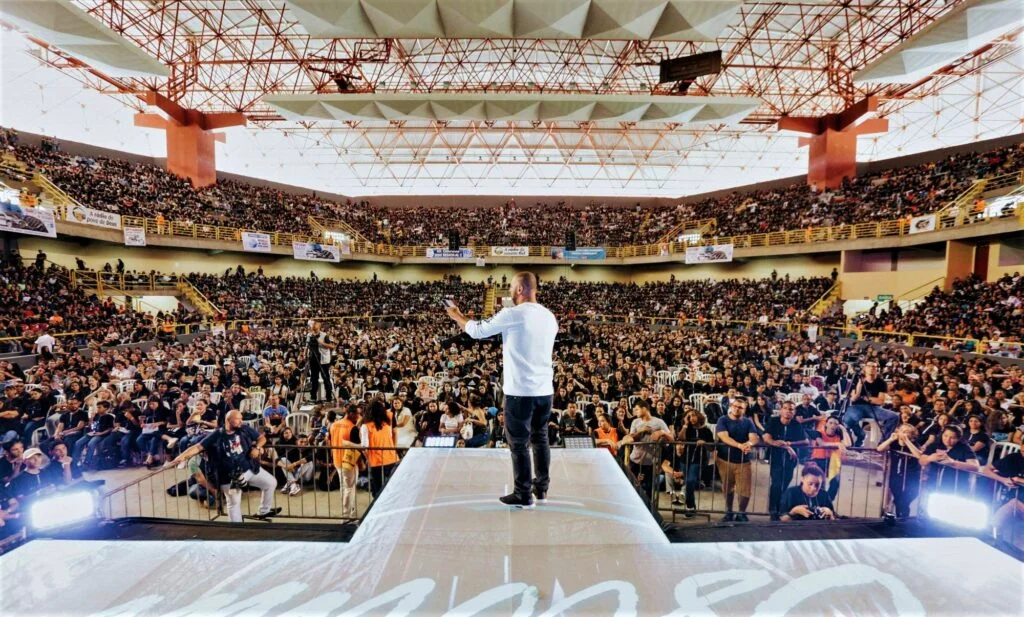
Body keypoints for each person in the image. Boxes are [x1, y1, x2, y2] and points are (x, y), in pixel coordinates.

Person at [447, 271, 558, 508]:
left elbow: (477, 331)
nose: (509, 291)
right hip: (545, 390)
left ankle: (523, 494)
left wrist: (456, 315)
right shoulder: (550, 316)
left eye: (511, 287)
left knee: (518, 443)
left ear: (520, 290)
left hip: (520, 392)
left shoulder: (513, 314)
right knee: (540, 438)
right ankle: (542, 489)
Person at [165, 410, 281, 522]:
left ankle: (264, 511)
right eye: (238, 419)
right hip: (229, 477)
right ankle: (236, 529)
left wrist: (258, 448)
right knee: (234, 503)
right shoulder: (217, 435)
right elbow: (197, 447)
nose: (241, 422)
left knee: (270, 483)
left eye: (241, 419)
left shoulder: (244, 429)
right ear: (229, 420)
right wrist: (180, 457)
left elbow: (261, 438)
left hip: (250, 469)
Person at [763, 401, 811, 521]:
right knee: (776, 484)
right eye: (785, 408)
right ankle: (773, 510)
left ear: (794, 412)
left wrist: (790, 444)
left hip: (791, 459)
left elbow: (806, 441)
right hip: (776, 458)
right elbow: (766, 437)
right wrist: (779, 444)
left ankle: (780, 509)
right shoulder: (773, 421)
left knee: (784, 485)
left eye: (791, 409)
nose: (788, 411)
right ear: (781, 410)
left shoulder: (796, 424)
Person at [715, 399, 759, 522]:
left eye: (740, 407)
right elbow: (724, 437)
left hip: (743, 461)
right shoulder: (722, 420)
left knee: (745, 490)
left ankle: (741, 512)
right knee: (727, 488)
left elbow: (754, 437)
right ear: (731, 406)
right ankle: (729, 511)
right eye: (735, 406)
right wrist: (740, 445)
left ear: (744, 409)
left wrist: (749, 444)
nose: (737, 409)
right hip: (725, 459)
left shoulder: (748, 422)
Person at [664, 409, 713, 516]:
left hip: (698, 459)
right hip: (685, 459)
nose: (692, 418)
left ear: (699, 416)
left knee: (690, 481)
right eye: (689, 416)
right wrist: (685, 425)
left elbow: (712, 448)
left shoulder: (706, 430)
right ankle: (691, 506)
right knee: (688, 483)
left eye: (693, 415)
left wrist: (704, 443)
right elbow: (681, 438)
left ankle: (689, 505)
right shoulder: (688, 428)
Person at [843, 361, 899, 447]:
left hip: (874, 408)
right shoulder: (856, 379)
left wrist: (865, 398)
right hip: (857, 407)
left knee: (894, 416)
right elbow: (854, 398)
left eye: (874, 367)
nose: (872, 368)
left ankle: (882, 443)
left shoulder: (881, 382)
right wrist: (859, 385)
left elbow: (880, 401)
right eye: (869, 366)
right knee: (848, 419)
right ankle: (860, 434)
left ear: (877, 369)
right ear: (865, 368)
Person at [624, 401, 671, 500]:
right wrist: (641, 431)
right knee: (631, 487)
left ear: (644, 409)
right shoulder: (635, 422)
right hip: (635, 460)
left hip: (651, 462)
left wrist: (661, 433)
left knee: (649, 490)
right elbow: (631, 438)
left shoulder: (659, 422)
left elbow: (671, 438)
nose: (635, 412)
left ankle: (649, 511)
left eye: (637, 409)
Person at [877, 424, 923, 520]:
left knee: (904, 500)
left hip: (911, 478)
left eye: (907, 432)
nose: (904, 434)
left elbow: (919, 455)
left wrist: (907, 442)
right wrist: (890, 439)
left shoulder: (914, 444)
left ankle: (903, 519)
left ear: (912, 435)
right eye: (902, 431)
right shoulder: (894, 443)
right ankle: (900, 519)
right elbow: (880, 448)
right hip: (896, 476)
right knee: (898, 500)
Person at [360, 399, 399, 498]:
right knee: (392, 487)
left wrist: (368, 458)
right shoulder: (387, 424)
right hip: (392, 459)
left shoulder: (366, 427)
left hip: (376, 462)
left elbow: (364, 446)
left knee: (378, 489)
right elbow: (393, 435)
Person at [808, 416, 851, 501]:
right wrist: (837, 444)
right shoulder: (818, 433)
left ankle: (827, 503)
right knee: (819, 484)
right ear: (826, 424)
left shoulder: (839, 435)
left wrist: (843, 429)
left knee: (835, 483)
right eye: (830, 423)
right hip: (818, 461)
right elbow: (822, 444)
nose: (833, 425)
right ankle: (816, 504)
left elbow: (848, 444)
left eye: (835, 424)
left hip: (833, 462)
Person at [306, 321, 336, 403]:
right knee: (314, 379)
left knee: (326, 378)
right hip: (313, 359)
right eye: (313, 324)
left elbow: (332, 346)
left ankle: (329, 397)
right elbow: (307, 346)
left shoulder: (324, 335)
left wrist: (320, 342)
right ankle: (313, 397)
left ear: (319, 326)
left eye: (315, 324)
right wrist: (306, 355)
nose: (313, 325)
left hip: (323, 360)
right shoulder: (309, 335)